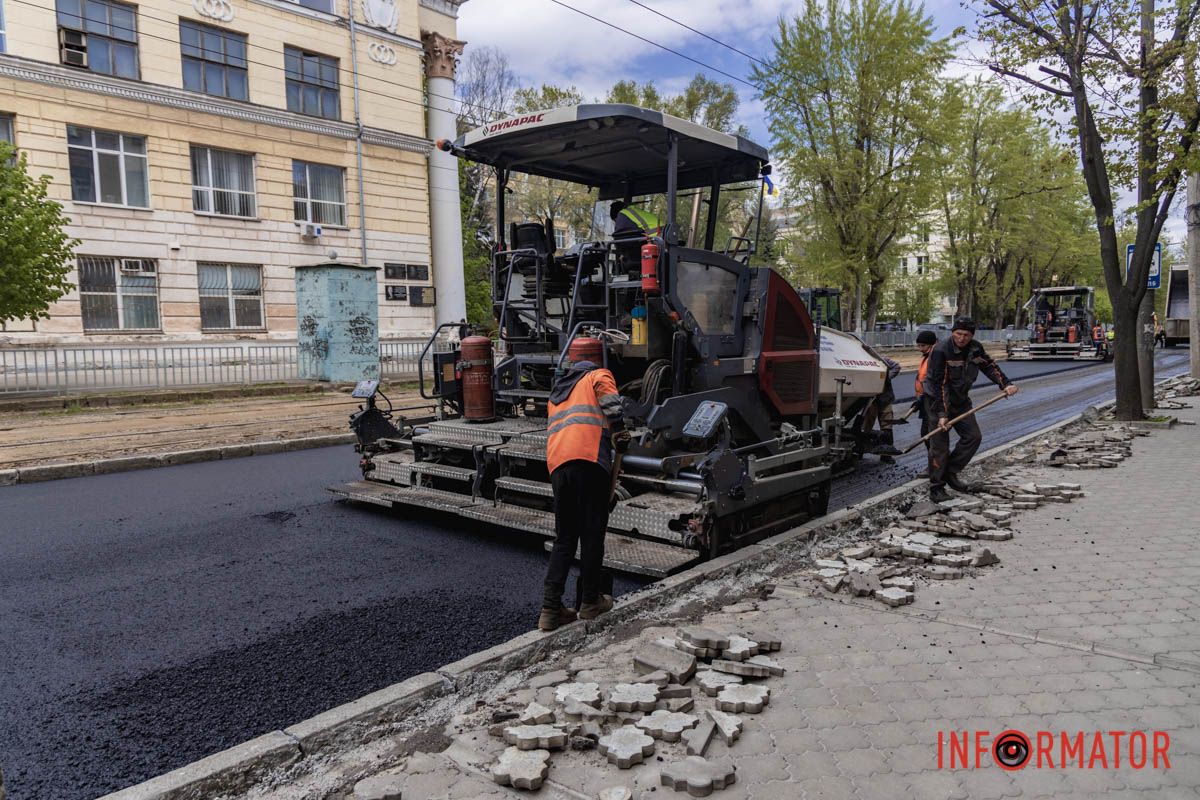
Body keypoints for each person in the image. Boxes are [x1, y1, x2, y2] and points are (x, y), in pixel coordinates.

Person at [538, 350, 630, 632]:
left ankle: (550, 609)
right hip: (589, 462)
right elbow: (611, 403)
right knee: (592, 535)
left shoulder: (557, 394)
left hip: (558, 468)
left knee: (565, 539)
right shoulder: (597, 375)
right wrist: (620, 430)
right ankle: (590, 601)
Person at [922, 317, 1019, 503]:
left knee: (973, 437)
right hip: (937, 402)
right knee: (939, 447)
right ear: (952, 333)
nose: (961, 338)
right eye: (958, 334)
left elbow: (989, 366)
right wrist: (942, 415)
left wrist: (1006, 384)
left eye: (966, 335)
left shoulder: (975, 348)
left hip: (960, 402)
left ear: (972, 335)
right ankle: (936, 488)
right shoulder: (941, 350)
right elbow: (938, 385)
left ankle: (950, 472)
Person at [859, 354, 903, 461]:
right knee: (866, 426)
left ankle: (886, 455)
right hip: (870, 400)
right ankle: (860, 451)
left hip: (885, 398)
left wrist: (886, 378)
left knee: (887, 426)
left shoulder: (882, 359)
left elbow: (896, 366)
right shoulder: (861, 361)